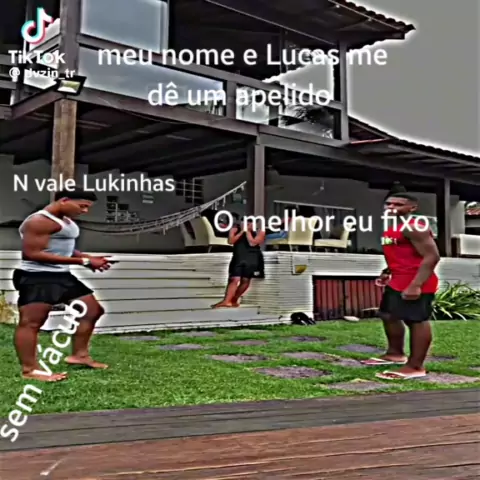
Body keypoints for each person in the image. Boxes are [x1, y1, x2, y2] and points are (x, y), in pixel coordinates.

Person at [13, 188, 114, 382]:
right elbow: (33, 254)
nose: (85, 211)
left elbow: (64, 245)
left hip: (62, 275)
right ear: (65, 200)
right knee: (31, 323)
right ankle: (30, 370)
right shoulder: (39, 221)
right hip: (37, 277)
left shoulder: (65, 220)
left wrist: (85, 257)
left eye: (87, 207)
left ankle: (79, 356)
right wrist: (84, 262)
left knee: (92, 311)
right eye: (82, 206)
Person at [362, 190, 440, 380]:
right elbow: (402, 254)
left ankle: (415, 366)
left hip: (416, 280)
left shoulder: (414, 227)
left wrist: (416, 285)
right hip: (398, 279)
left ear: (412, 208)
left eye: (398, 204)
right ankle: (395, 354)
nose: (391, 207)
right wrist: (387, 271)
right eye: (388, 204)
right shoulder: (394, 227)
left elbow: (432, 256)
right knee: (388, 315)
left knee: (416, 320)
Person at [212, 216, 265, 308]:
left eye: (250, 222)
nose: (247, 224)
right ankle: (226, 301)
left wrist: (247, 231)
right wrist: (241, 232)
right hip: (238, 257)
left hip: (252, 258)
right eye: (244, 222)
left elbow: (252, 243)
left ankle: (234, 299)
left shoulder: (260, 232)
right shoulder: (234, 230)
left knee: (245, 280)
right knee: (234, 279)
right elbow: (230, 241)